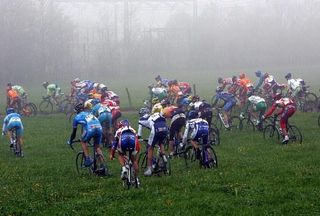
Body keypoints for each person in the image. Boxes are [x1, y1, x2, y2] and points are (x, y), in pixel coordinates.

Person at [68, 103, 106, 171]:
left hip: (91, 129)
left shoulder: (76, 118)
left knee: (83, 141)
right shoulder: (89, 114)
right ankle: (103, 165)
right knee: (97, 147)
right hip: (99, 128)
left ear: (77, 111)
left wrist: (70, 140)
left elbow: (74, 133)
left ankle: (87, 159)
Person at [137, 112, 168, 176]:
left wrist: (139, 136)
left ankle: (149, 169)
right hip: (165, 127)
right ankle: (164, 157)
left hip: (156, 129)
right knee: (160, 143)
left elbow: (140, 129)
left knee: (150, 148)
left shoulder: (142, 120)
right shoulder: (155, 115)